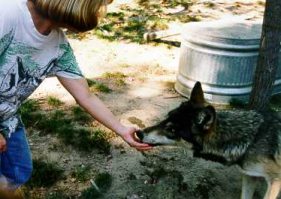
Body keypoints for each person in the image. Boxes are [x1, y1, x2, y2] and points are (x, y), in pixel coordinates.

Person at [0, 0, 152, 190]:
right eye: (99, 6)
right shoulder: (7, 13)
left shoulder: (58, 45)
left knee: (17, 171)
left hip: (7, 119)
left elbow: (85, 96)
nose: (99, 13)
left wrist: (121, 129)